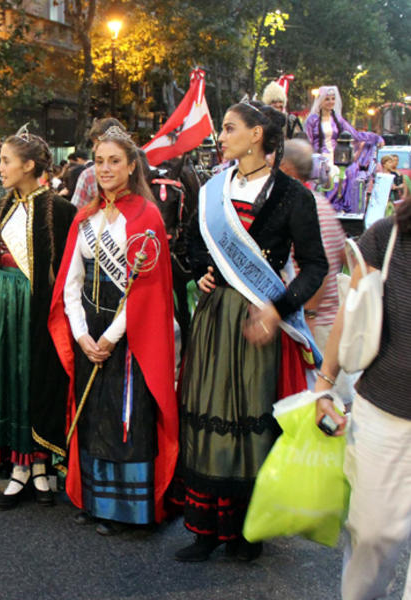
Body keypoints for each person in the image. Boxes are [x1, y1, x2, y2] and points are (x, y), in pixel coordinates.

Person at [176, 101, 327, 562]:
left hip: (259, 322)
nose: (221, 136)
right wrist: (200, 270)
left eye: (229, 128)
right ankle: (203, 527)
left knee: (250, 422)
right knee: (206, 411)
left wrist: (278, 309)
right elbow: (190, 245)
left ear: (258, 134)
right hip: (216, 317)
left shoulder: (293, 196)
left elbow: (315, 266)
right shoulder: (212, 189)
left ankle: (247, 531)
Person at [47, 125, 178, 534]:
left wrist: (108, 337)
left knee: (126, 416)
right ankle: (93, 498)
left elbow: (145, 291)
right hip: (91, 327)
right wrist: (83, 334)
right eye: (99, 161)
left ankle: (126, 509)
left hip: (127, 334)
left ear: (131, 165)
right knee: (93, 415)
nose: (105, 168)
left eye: (114, 161)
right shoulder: (85, 216)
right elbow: (70, 281)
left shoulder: (147, 215)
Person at [0, 127, 77, 509]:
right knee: (9, 382)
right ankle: (18, 468)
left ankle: (41, 466)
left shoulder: (61, 211)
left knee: (38, 382)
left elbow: (67, 278)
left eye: (5, 161)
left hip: (36, 312)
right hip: (1, 308)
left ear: (29, 165)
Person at [314, 201, 411, 600]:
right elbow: (349, 314)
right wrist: (325, 383)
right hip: (383, 414)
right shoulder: (388, 237)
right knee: (371, 535)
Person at [280, 139, 346, 349]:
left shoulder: (307, 205)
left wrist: (309, 315)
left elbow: (320, 267)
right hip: (316, 322)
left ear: (286, 169)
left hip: (316, 326)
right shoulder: (317, 201)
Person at [70, 117, 127, 209]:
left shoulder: (89, 175)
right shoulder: (88, 175)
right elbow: (77, 215)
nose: (93, 149)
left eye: (97, 143)